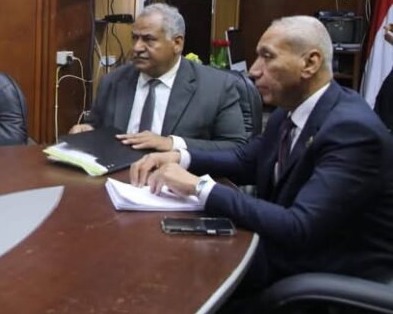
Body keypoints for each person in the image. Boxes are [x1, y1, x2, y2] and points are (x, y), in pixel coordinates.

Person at [130, 16, 393, 291]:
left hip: (323, 282)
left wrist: (199, 187)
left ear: (310, 63)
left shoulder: (351, 131)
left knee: (176, 278)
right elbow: (246, 160)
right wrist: (180, 156)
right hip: (280, 252)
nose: (254, 71)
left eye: (267, 57)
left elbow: (299, 226)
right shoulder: (289, 111)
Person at [70, 3, 247, 153]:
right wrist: (86, 132)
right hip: (117, 175)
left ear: (177, 43)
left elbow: (235, 148)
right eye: (135, 38)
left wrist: (172, 144)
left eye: (148, 39)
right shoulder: (113, 81)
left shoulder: (216, 87)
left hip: (176, 178)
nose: (137, 47)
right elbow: (96, 127)